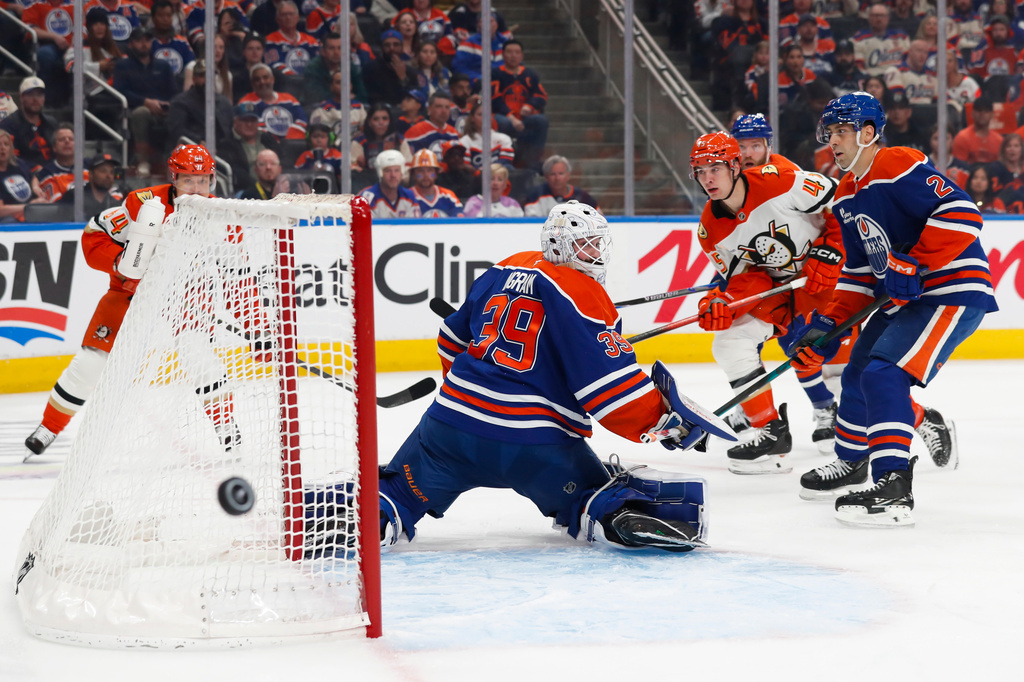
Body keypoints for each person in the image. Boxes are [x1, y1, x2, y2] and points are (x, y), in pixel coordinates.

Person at [374, 200, 724, 553]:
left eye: (597, 243)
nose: (596, 252)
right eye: (587, 243)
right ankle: (611, 515)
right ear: (562, 246)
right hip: (536, 447)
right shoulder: (586, 295)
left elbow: (451, 338)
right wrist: (666, 422)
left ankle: (376, 518)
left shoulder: (504, 268)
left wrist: (464, 392)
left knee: (398, 492)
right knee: (592, 496)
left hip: (449, 434)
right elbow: (610, 390)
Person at [794, 92, 996, 526]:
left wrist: (918, 260)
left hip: (950, 289)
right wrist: (828, 325)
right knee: (857, 371)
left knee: (884, 373)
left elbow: (962, 212)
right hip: (905, 295)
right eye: (830, 133)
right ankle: (852, 461)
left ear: (869, 133)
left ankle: (893, 488)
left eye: (843, 132)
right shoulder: (846, 194)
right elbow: (860, 273)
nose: (834, 141)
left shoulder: (894, 164)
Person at [24, 145, 226, 457]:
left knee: (199, 355)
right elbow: (94, 234)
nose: (196, 189)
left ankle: (227, 429)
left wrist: (259, 327)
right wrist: (120, 261)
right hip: (130, 292)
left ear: (212, 180)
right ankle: (49, 428)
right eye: (188, 180)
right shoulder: (143, 204)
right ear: (174, 179)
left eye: (202, 180)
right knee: (91, 362)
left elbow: (238, 274)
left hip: (185, 298)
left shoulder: (221, 216)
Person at [689, 131, 846, 473]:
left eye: (714, 167)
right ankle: (770, 431)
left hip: (837, 279)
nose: (708, 178)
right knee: (730, 341)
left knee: (855, 370)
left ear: (734, 166)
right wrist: (724, 301)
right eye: (700, 171)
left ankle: (920, 420)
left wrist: (834, 246)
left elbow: (843, 201)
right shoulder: (709, 230)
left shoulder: (781, 182)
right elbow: (748, 277)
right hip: (788, 292)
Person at [112, 27, 177, 174]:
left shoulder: (163, 66)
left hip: (164, 109)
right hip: (137, 108)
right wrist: (145, 101)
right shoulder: (123, 66)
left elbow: (174, 92)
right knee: (141, 113)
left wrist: (168, 104)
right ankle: (143, 161)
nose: (144, 44)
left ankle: (176, 161)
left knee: (180, 112)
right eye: (139, 40)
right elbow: (120, 91)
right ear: (131, 44)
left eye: (147, 40)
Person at [491, 39, 549, 169]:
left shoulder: (530, 74)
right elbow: (495, 99)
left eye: (517, 52)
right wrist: (511, 117)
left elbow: (541, 95)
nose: (513, 56)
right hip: (503, 116)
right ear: (503, 54)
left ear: (522, 55)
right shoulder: (496, 73)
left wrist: (529, 105)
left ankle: (533, 160)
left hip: (525, 117)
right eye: (509, 52)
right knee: (503, 123)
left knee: (541, 121)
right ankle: (505, 159)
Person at [168, 59, 234, 149]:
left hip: (222, 151)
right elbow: (177, 130)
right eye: (202, 76)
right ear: (194, 78)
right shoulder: (180, 102)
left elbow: (229, 131)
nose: (207, 80)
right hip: (192, 150)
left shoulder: (224, 103)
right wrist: (198, 141)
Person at [236, 63, 308, 141]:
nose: (262, 82)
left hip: (290, 145)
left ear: (272, 79)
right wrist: (273, 142)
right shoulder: (246, 102)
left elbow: (302, 121)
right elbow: (252, 128)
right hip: (263, 146)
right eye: (257, 79)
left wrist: (289, 141)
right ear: (252, 84)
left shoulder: (289, 99)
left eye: (265, 77)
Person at [0, 77, 58, 173]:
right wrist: (34, 169)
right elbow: (11, 158)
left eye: (39, 95)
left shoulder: (51, 123)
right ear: (21, 97)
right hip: (25, 173)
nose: (35, 99)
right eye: (31, 95)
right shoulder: (9, 125)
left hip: (54, 173)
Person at [524, 155, 599, 217]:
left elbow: (599, 217)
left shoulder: (582, 196)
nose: (557, 178)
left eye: (561, 173)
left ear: (568, 175)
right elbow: (531, 222)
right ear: (546, 177)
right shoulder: (536, 195)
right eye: (552, 174)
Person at [358, 149, 421, 218]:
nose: (393, 175)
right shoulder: (367, 198)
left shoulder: (409, 196)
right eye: (388, 171)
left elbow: (415, 226)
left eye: (397, 170)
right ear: (380, 173)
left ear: (402, 172)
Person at [852, 3, 910, 78]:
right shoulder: (858, 39)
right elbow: (860, 67)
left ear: (887, 18)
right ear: (869, 18)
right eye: (875, 15)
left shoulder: (901, 37)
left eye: (882, 16)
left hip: (898, 78)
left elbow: (908, 62)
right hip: (872, 81)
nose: (879, 19)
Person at [350, 103, 412, 172]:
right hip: (367, 180)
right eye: (376, 119)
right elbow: (352, 169)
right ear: (369, 122)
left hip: (396, 179)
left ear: (390, 121)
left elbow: (408, 166)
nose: (381, 122)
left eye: (384, 118)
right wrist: (359, 166)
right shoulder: (359, 142)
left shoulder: (400, 140)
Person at [57, 153, 124, 216]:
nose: (108, 176)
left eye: (111, 172)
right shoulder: (74, 197)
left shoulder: (115, 205)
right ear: (91, 174)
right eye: (103, 171)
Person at [264, 1, 318, 76]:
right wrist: (297, 78)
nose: (288, 17)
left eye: (291, 14)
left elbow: (317, 65)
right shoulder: (270, 41)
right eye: (284, 15)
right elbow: (275, 65)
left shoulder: (311, 42)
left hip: (309, 83)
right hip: (284, 83)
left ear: (297, 18)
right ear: (277, 19)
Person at [457, 100, 514, 170]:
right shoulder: (464, 141)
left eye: (487, 114)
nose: (484, 118)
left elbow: (506, 160)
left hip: (498, 177)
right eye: (480, 115)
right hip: (477, 177)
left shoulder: (504, 138)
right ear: (472, 118)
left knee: (509, 167)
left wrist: (488, 169)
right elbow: (466, 166)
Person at [730, 113, 798, 171]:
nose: (748, 154)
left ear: (769, 149)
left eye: (755, 146)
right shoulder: (724, 177)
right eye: (741, 146)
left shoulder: (789, 175)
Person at [0, 130, 41, 222]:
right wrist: (30, 206)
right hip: (7, 218)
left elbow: (33, 176)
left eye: (6, 144)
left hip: (28, 212)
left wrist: (35, 187)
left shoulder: (17, 164)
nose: (3, 148)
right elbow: (1, 210)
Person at [408, 148, 462, 217]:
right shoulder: (406, 198)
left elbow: (459, 224)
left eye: (430, 170)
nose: (426, 175)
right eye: (420, 171)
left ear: (436, 173)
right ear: (413, 174)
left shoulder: (448, 196)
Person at [952, 95, 1003, 166]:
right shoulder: (962, 137)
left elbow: (1001, 167)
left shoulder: (999, 140)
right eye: (979, 110)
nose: (982, 114)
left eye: (986, 111)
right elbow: (959, 167)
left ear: (992, 115)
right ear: (972, 113)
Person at [363, 29, 408, 107]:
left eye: (396, 44)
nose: (392, 48)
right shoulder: (370, 68)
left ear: (402, 47)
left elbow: (413, 96)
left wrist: (403, 78)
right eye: (387, 45)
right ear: (382, 47)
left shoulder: (409, 68)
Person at [150, 0, 195, 78]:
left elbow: (191, 65)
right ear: (153, 18)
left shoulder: (182, 42)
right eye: (161, 16)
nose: (165, 19)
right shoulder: (148, 42)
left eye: (168, 15)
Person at [36, 123, 76, 202]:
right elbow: (58, 206)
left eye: (71, 139)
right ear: (54, 147)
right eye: (61, 139)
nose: (67, 141)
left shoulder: (90, 167)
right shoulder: (46, 173)